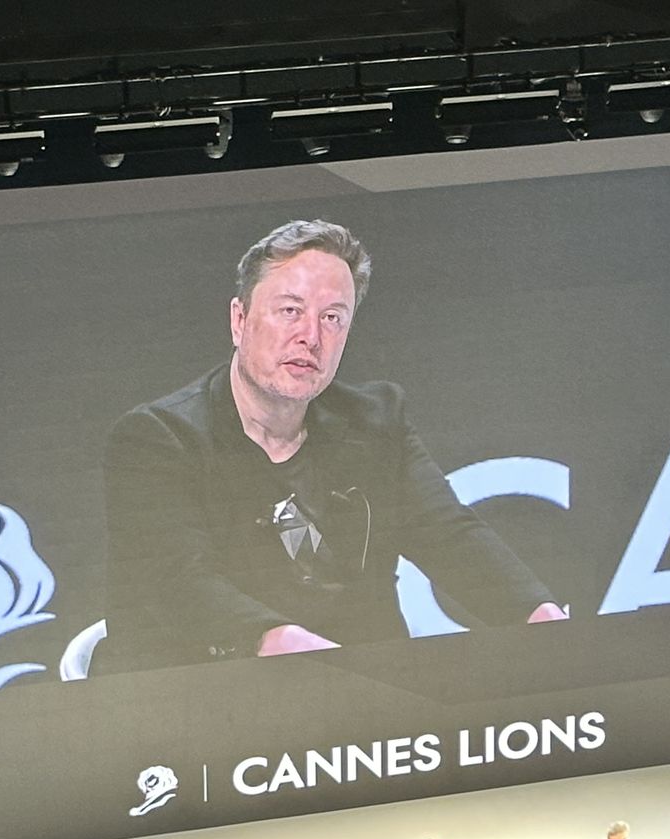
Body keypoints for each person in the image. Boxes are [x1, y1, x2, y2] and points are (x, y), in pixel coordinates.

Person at [100, 219, 567, 672]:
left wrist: (540, 616)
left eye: (333, 318)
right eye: (290, 311)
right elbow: (179, 584)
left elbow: (450, 535)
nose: (311, 336)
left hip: (370, 702)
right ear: (239, 320)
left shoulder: (375, 420)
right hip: (212, 702)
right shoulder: (158, 439)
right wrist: (299, 651)